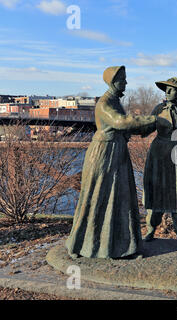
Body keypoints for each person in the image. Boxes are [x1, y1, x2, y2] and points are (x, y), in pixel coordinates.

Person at [65, 66, 170, 259]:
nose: (126, 83)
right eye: (123, 80)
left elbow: (127, 128)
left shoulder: (114, 101)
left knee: (120, 198)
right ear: (114, 82)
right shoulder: (105, 104)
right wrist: (153, 119)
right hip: (104, 154)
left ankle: (119, 246)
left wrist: (149, 125)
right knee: (98, 197)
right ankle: (86, 245)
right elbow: (122, 122)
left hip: (117, 152)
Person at [142, 77, 177, 251]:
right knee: (156, 192)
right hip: (158, 154)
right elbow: (145, 129)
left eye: (172, 89)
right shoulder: (158, 109)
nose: (167, 92)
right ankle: (151, 229)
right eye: (166, 88)